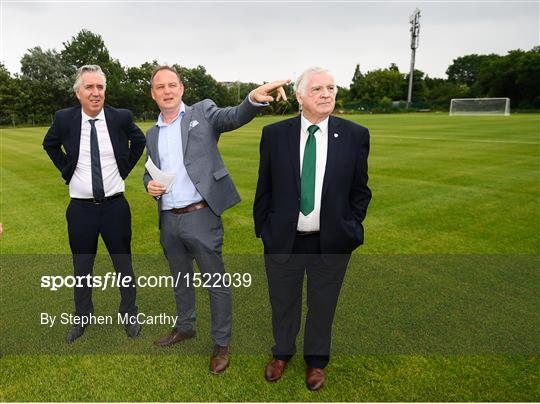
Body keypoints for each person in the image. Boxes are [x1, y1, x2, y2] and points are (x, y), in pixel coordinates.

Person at [144, 65, 288, 374]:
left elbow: (233, 116)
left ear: (182, 89)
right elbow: (149, 169)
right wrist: (148, 184)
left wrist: (253, 98)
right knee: (180, 279)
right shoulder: (152, 132)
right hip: (169, 219)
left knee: (216, 283)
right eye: (160, 87)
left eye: (172, 85)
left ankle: (221, 344)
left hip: (201, 216)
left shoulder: (203, 112)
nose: (167, 91)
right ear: (153, 94)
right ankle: (186, 327)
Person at [253, 67, 371, 390]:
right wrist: (264, 228)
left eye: (331, 88)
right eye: (318, 88)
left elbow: (360, 191)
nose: (327, 94)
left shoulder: (355, 135)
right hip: (284, 239)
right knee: (283, 302)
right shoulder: (275, 135)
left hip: (331, 241)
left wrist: (350, 227)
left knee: (322, 305)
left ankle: (316, 361)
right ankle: (282, 353)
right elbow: (265, 188)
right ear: (300, 96)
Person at [43, 65, 146, 343]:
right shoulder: (64, 119)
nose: (96, 92)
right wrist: (66, 168)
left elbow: (139, 140)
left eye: (100, 87)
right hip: (81, 210)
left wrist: (122, 170)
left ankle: (129, 313)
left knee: (123, 264)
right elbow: (49, 143)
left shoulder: (120, 117)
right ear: (78, 92)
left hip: (115, 207)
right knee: (82, 267)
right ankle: (83, 316)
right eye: (89, 87)